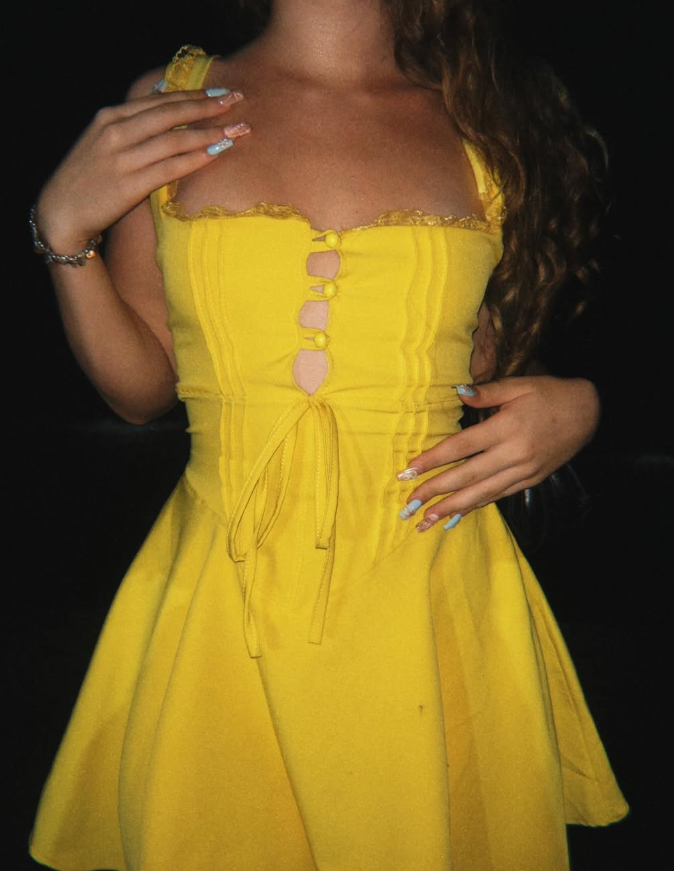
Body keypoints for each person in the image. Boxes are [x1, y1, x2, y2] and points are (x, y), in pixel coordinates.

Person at [28, 1, 628, 869]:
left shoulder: (482, 118)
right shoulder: (172, 100)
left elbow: (484, 360)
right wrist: (63, 232)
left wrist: (580, 409)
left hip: (428, 601)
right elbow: (140, 389)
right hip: (224, 602)